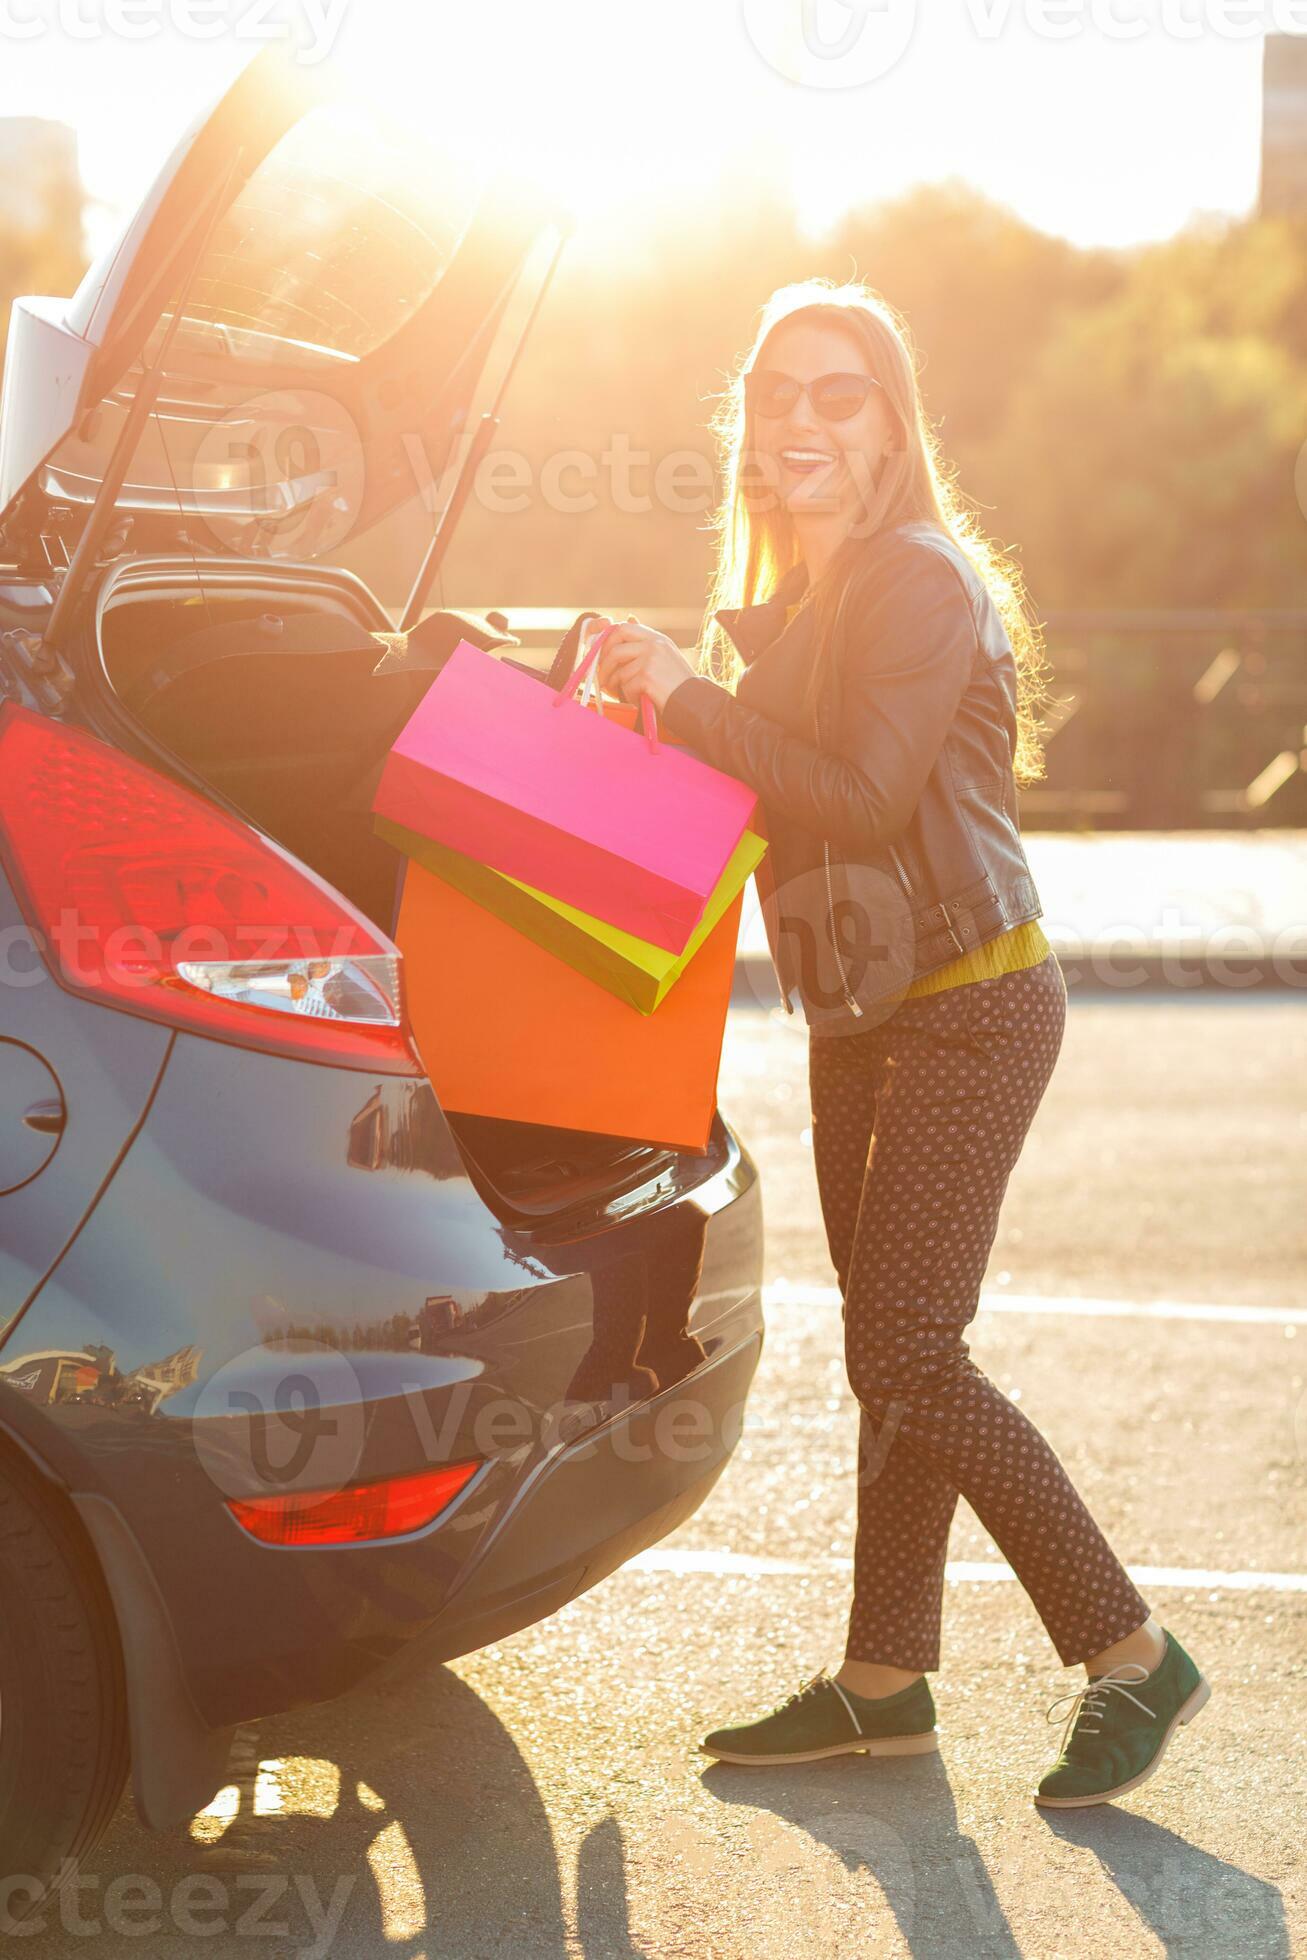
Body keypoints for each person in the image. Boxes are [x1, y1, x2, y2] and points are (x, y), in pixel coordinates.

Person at [593, 278, 1209, 1809]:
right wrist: (629, 717)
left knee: (910, 1357)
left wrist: (687, 698)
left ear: (892, 422)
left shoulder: (919, 579)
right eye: (779, 391)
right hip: (863, 1011)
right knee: (898, 1363)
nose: (804, 417)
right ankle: (884, 1681)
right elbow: (759, 802)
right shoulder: (805, 602)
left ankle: (1132, 1655)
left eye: (840, 390)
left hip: (969, 1003)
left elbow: (862, 795)